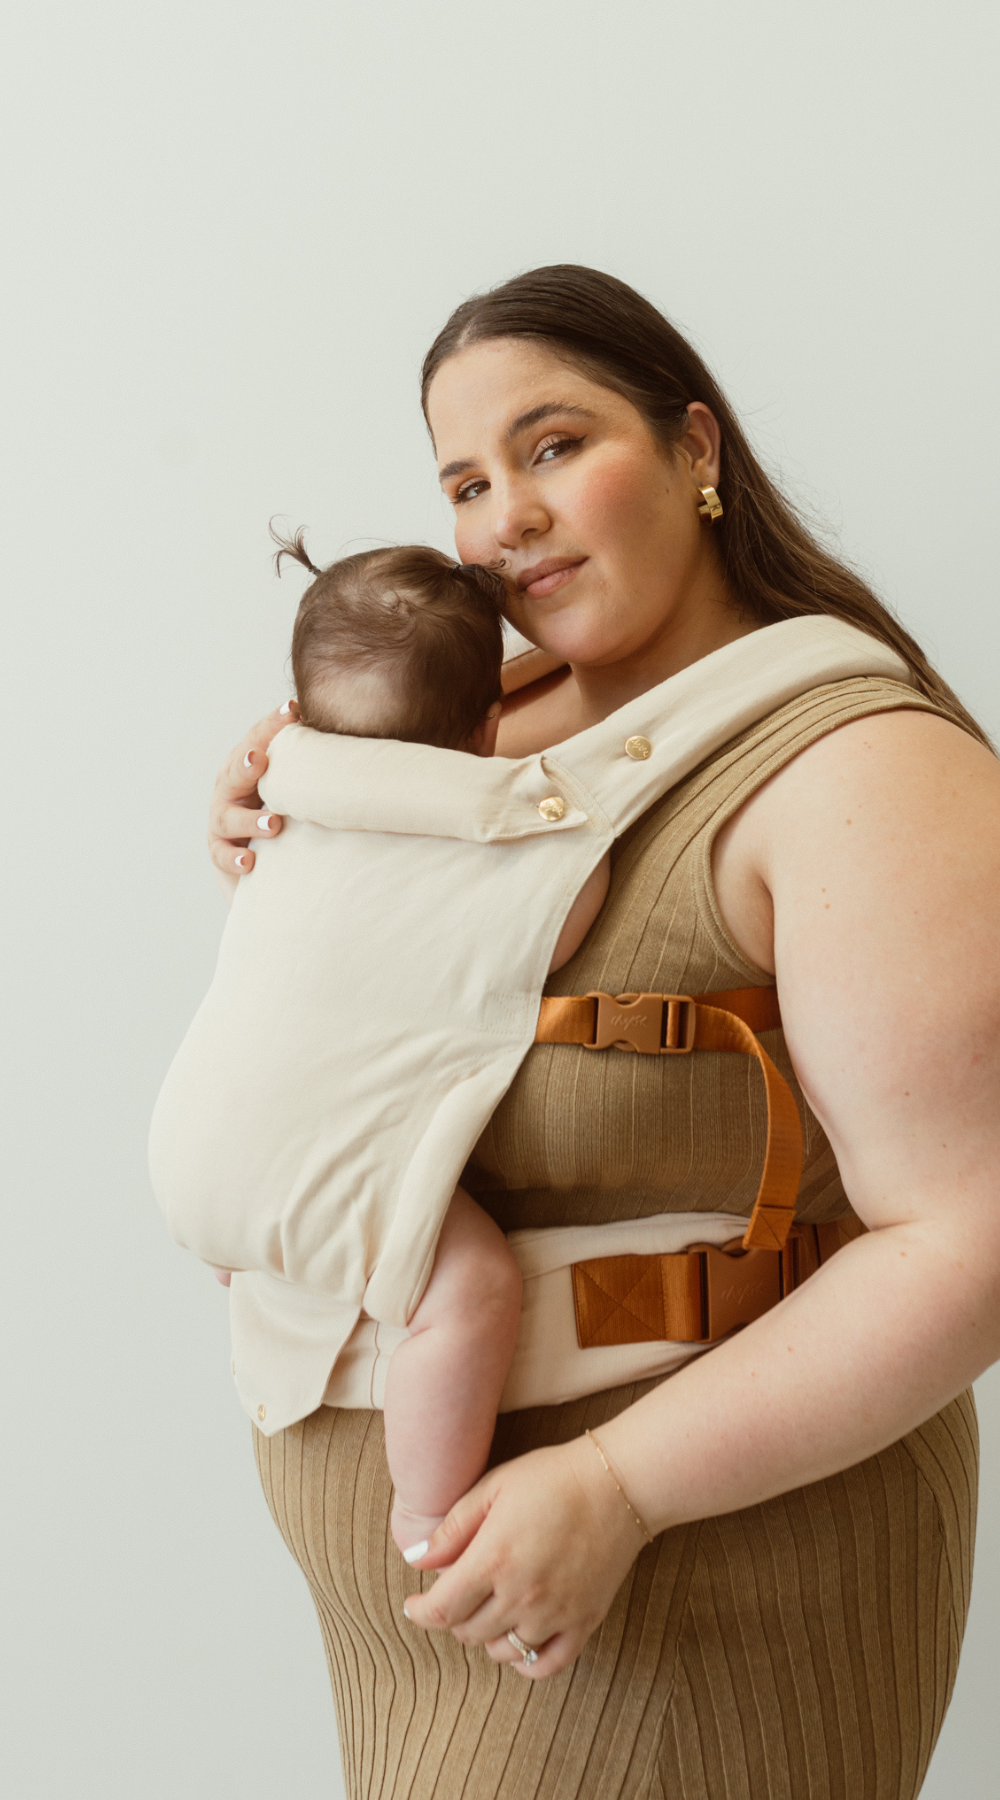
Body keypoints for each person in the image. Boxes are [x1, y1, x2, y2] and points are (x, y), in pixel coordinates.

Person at [204, 266, 1000, 1800]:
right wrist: (259, 834)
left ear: (699, 451)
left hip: (680, 1607)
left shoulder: (862, 773)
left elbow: (973, 1238)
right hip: (432, 1623)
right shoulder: (465, 733)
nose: (506, 513)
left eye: (555, 445)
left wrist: (619, 1487)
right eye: (466, 479)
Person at [152, 536, 612, 1552]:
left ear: (297, 708)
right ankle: (425, 1507)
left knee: (295, 1173)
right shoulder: (501, 841)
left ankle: (262, 1237)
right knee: (473, 1289)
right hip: (299, 1183)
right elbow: (572, 914)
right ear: (491, 721)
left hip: (190, 1161)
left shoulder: (273, 805)